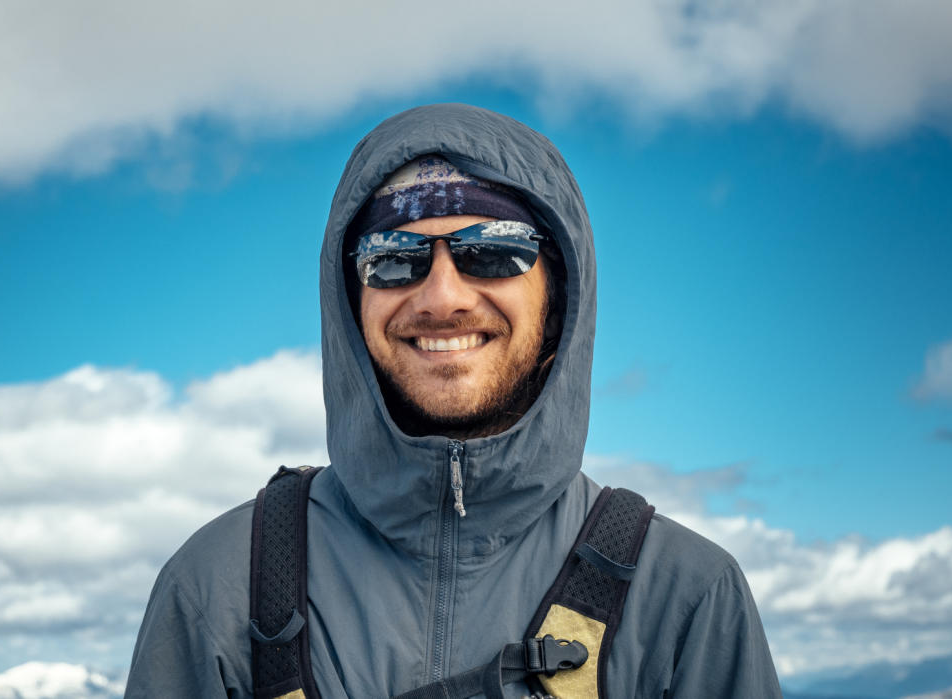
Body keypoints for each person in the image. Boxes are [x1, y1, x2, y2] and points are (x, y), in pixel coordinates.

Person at [125, 103, 782, 698]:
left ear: (559, 298)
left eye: (494, 251)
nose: (442, 296)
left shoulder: (686, 598)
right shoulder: (215, 589)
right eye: (392, 257)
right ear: (348, 302)